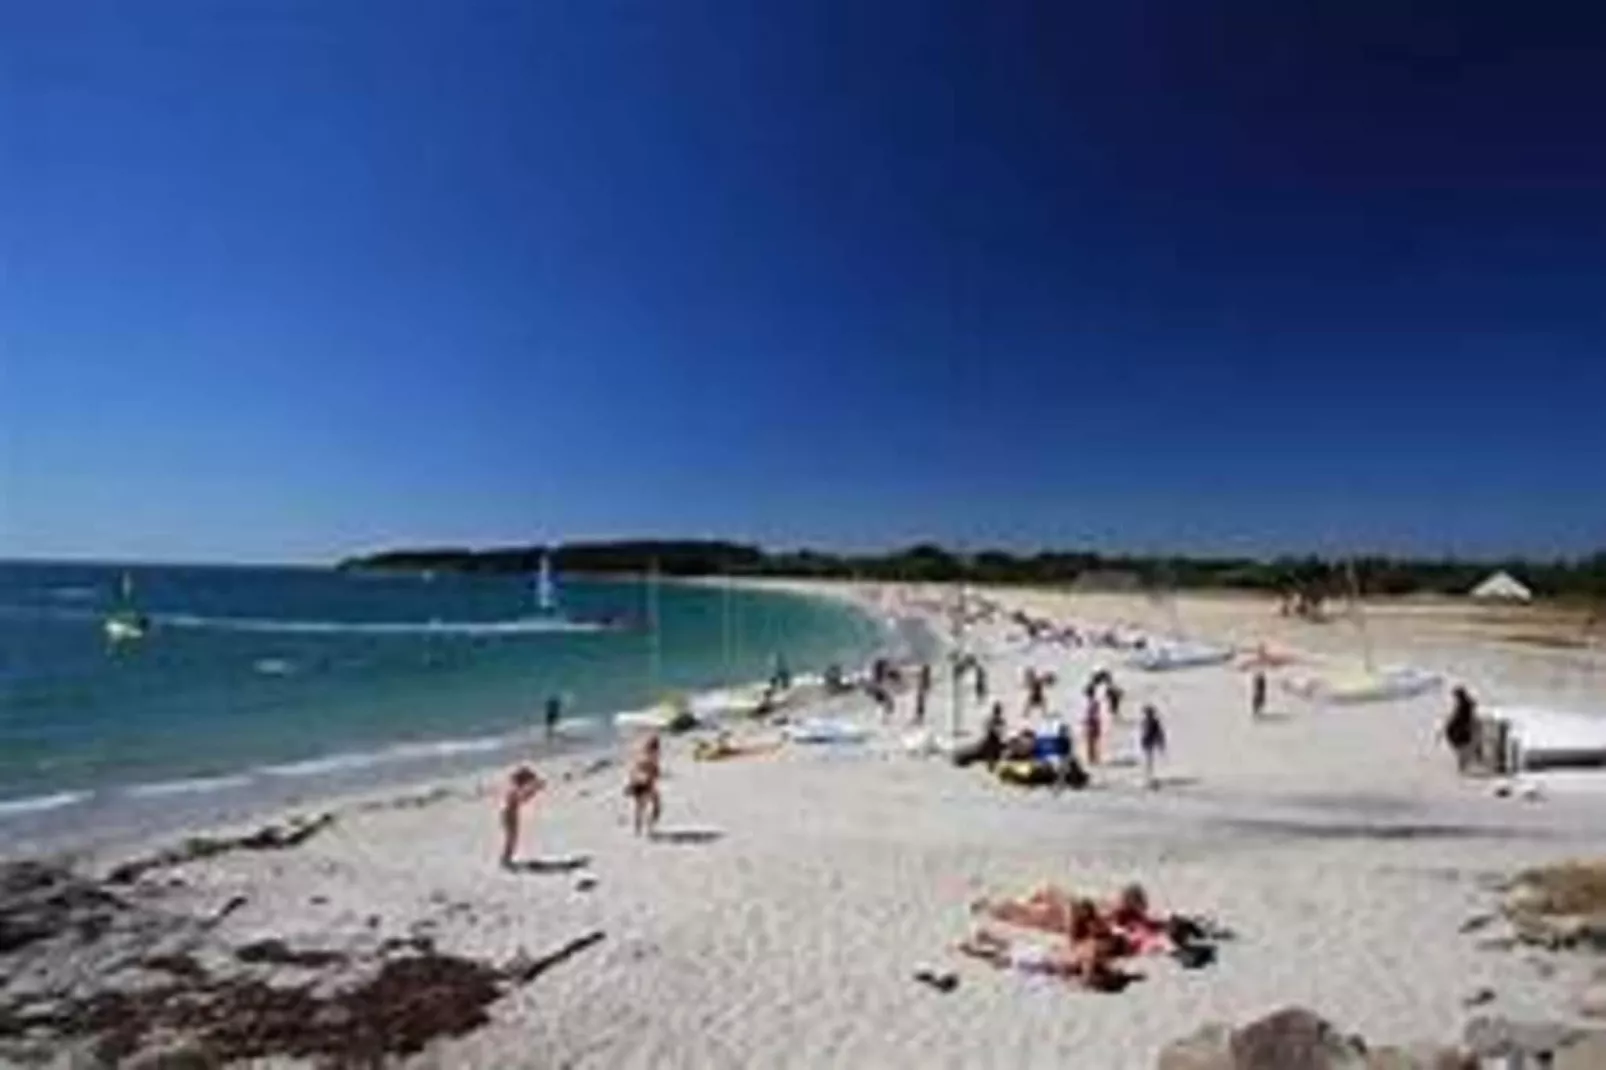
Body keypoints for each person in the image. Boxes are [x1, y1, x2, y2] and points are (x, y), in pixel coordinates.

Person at [499, 765, 546, 868]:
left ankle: (506, 858)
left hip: (510, 813)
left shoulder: (515, 788)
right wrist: (535, 790)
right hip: (510, 813)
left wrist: (534, 790)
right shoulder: (514, 789)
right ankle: (506, 859)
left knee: (512, 837)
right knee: (511, 837)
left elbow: (521, 799)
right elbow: (521, 798)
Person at [626, 733, 663, 836]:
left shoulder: (646, 756)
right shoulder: (649, 757)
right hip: (644, 784)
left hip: (642, 783)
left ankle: (640, 829)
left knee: (642, 807)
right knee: (651, 807)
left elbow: (633, 770)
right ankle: (645, 828)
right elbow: (652, 772)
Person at [1444, 686, 1478, 773]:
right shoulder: (1465, 705)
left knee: (1461, 748)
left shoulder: (1464, 705)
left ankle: (1463, 766)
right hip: (1460, 729)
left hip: (1460, 729)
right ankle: (1463, 766)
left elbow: (1463, 717)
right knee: (1462, 748)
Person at [1140, 704, 1166, 789]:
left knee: (1150, 759)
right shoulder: (1145, 721)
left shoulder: (1154, 722)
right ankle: (1148, 774)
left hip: (1151, 742)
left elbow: (1159, 733)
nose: (1147, 714)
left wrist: (1161, 743)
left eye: (1148, 713)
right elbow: (1143, 732)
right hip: (1147, 742)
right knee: (1148, 759)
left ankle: (1150, 775)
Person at [1082, 695, 1103, 766]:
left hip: (1092, 727)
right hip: (1092, 727)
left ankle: (1093, 758)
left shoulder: (1092, 712)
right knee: (1092, 744)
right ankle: (1092, 758)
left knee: (1092, 744)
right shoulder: (1093, 713)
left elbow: (1090, 720)